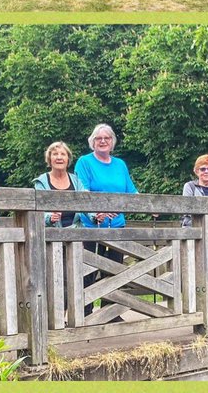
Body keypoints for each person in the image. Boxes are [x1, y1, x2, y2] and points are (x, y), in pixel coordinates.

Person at [75, 123, 137, 290]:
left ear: (112, 141)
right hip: (91, 225)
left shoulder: (120, 164)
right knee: (87, 270)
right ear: (92, 142)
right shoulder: (84, 162)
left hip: (117, 224)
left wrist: (153, 208)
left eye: (107, 138)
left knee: (115, 270)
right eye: (98, 138)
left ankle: (111, 313)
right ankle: (85, 313)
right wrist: (97, 212)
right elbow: (83, 191)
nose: (103, 141)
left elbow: (131, 192)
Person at [34, 141, 88, 227]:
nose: (59, 157)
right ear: (49, 159)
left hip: (76, 233)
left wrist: (95, 216)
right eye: (55, 154)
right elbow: (38, 210)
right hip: (50, 233)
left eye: (63, 154)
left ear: (68, 159)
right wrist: (49, 218)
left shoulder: (77, 181)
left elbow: (85, 204)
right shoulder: (41, 182)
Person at [181, 154, 208, 226]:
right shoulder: (190, 186)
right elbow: (186, 213)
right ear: (197, 171)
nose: (206, 171)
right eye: (203, 169)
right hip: (194, 228)